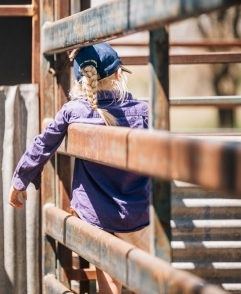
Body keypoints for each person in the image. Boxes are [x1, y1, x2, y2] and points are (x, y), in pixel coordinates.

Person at [8, 43, 150, 294]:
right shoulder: (142, 111)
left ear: (81, 80)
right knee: (145, 274)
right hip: (136, 212)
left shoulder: (73, 111)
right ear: (119, 74)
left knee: (107, 270)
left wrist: (21, 178)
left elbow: (43, 143)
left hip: (98, 214)